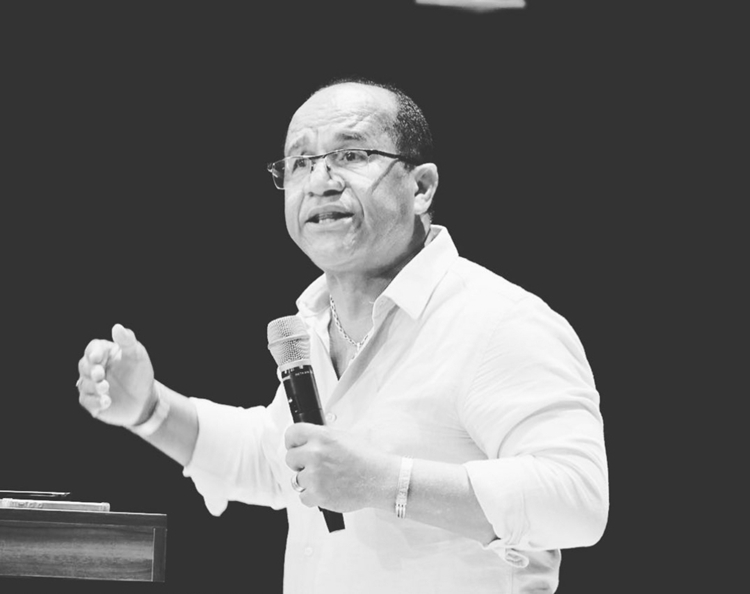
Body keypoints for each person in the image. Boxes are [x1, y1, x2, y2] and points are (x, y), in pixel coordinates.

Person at [76, 77, 608, 593]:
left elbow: (577, 499)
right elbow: (276, 461)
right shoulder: (313, 324)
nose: (319, 180)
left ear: (421, 187)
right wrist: (150, 409)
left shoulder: (499, 320)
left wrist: (384, 482)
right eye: (299, 162)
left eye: (351, 154)